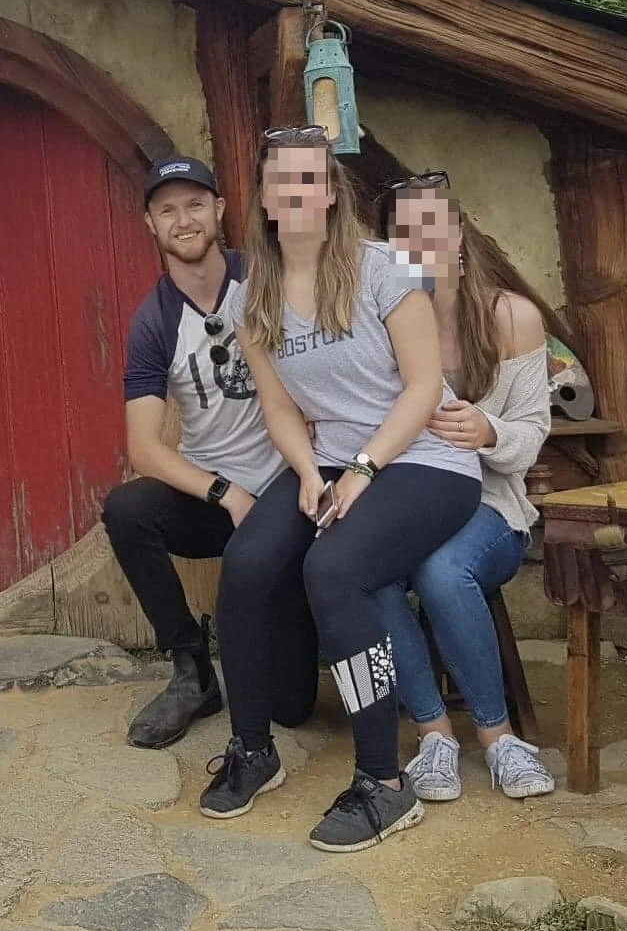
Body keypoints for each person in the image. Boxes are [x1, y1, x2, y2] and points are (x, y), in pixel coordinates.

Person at [203, 128, 481, 852]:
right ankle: (252, 748)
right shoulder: (254, 297)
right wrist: (304, 471)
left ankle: (385, 782)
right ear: (263, 198)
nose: (293, 193)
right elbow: (279, 408)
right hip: (325, 460)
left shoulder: (383, 269)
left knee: (334, 571)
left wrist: (362, 469)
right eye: (279, 181)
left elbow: (423, 388)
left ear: (329, 193)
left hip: (424, 459)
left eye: (308, 180)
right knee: (248, 563)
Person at [103, 155, 319, 749]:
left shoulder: (265, 281)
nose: (184, 220)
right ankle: (191, 669)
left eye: (195, 204)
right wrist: (224, 493)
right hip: (216, 497)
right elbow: (144, 448)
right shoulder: (154, 322)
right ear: (150, 225)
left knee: (291, 708)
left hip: (286, 486)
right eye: (167, 209)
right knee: (128, 509)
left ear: (220, 211)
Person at [371, 173, 555, 800]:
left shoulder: (513, 318)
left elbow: (533, 433)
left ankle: (500, 741)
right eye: (403, 234)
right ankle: (433, 735)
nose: (420, 243)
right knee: (365, 570)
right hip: (406, 499)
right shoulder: (383, 325)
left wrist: (488, 430)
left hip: (492, 506)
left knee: (443, 569)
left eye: (432, 226)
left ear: (457, 235)